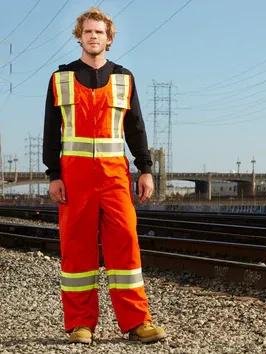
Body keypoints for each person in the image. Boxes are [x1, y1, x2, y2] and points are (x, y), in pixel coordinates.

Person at [42, 7, 166, 344]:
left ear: (108, 39)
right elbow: (51, 132)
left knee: (125, 245)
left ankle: (137, 322)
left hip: (114, 177)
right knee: (76, 248)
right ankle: (80, 325)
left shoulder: (125, 79)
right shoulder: (61, 79)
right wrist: (54, 174)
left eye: (99, 32)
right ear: (79, 37)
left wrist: (146, 169)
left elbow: (135, 127)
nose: (93, 37)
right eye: (88, 32)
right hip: (75, 178)